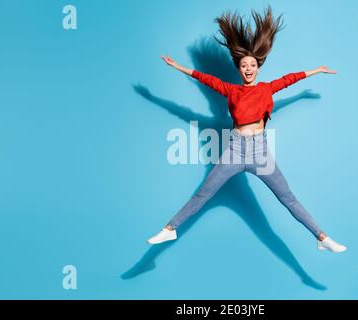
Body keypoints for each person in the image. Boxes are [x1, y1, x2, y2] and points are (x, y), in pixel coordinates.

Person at [147, 6, 347, 253]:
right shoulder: (232, 90)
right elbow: (206, 80)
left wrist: (315, 71)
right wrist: (178, 67)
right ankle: (169, 229)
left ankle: (321, 237)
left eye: (252, 64)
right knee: (203, 194)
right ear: (239, 69)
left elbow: (289, 79)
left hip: (259, 151)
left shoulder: (265, 88)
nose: (248, 68)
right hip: (235, 150)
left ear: (258, 67)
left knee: (288, 197)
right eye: (244, 65)